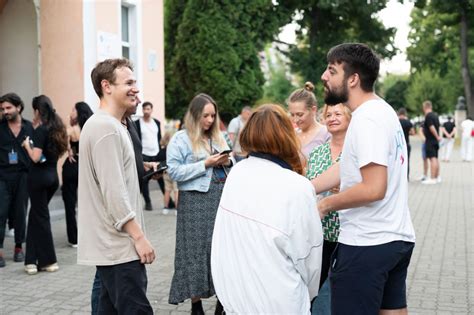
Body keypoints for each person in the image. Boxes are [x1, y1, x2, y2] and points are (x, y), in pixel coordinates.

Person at [315, 43, 416, 315]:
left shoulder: (367, 120)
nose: (324, 76)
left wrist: (325, 205)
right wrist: (305, 187)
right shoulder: (382, 110)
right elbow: (347, 167)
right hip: (394, 239)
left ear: (353, 79)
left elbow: (374, 188)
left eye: (331, 70)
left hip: (367, 244)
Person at [211, 104, 323, 314]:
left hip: (236, 299)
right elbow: (310, 259)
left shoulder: (236, 173)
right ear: (287, 136)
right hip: (279, 302)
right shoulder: (298, 187)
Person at [78, 58, 155, 314]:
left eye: (136, 82)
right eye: (129, 83)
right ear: (106, 86)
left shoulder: (108, 125)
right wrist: (139, 237)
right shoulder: (106, 128)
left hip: (111, 249)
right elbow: (113, 193)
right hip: (120, 248)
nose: (136, 89)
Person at [167, 93, 233, 314]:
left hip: (221, 198)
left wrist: (227, 160)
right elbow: (174, 171)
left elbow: (233, 162)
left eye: (213, 116)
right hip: (194, 202)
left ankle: (222, 301)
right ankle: (196, 303)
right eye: (205, 116)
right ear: (195, 115)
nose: (210, 120)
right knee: (194, 251)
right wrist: (205, 163)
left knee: (220, 250)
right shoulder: (180, 138)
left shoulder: (219, 137)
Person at [306, 103, 351, 314]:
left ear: (350, 118)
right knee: (316, 287)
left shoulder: (356, 151)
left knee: (342, 291)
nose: (332, 118)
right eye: (328, 114)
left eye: (338, 114)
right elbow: (307, 186)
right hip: (320, 231)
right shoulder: (317, 153)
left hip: (348, 232)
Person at [22, 95, 68, 275]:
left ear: (36, 111)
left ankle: (49, 261)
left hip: (38, 179)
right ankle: (31, 262)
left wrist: (27, 144)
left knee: (40, 218)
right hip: (52, 178)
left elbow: (35, 157)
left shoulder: (41, 130)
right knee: (36, 216)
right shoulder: (57, 127)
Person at [0, 93, 34, 268]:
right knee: (1, 212)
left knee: (20, 213)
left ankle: (19, 247)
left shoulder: (29, 128)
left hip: (23, 176)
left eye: (8, 108)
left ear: (18, 107)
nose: (5, 111)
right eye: (3, 109)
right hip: (3, 176)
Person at [61, 102, 93, 248]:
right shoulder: (91, 128)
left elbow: (64, 145)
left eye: (73, 109)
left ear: (78, 112)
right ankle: (90, 235)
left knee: (69, 204)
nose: (71, 111)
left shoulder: (71, 129)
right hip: (86, 165)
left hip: (72, 166)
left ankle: (74, 239)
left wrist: (69, 150)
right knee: (90, 203)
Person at [135, 101, 167, 210]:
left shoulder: (156, 123)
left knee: (161, 178)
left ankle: (169, 202)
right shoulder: (137, 123)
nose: (146, 111)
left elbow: (159, 138)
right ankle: (148, 202)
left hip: (156, 154)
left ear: (151, 110)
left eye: (148, 109)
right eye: (144, 109)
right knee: (145, 180)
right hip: (144, 154)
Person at [288, 81, 331, 160]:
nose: (295, 120)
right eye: (292, 115)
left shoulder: (327, 134)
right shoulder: (292, 135)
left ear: (313, 110)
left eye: (300, 115)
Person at [421, 100, 441, 184]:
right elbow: (437, 127)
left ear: (425, 107)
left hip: (430, 140)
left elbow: (431, 127)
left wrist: (437, 136)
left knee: (432, 159)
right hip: (435, 141)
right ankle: (437, 177)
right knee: (435, 159)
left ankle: (432, 178)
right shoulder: (435, 116)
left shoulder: (428, 116)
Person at [159, 132, 179, 215]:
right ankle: (177, 209)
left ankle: (165, 208)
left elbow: (159, 160)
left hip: (165, 172)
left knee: (167, 191)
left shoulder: (162, 151)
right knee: (176, 191)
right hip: (174, 172)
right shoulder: (174, 150)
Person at [398, 108, 415, 179]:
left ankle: (398, 177)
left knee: (398, 162)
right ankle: (406, 176)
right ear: (405, 113)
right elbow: (413, 133)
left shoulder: (396, 121)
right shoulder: (408, 122)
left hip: (398, 145)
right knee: (406, 161)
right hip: (406, 144)